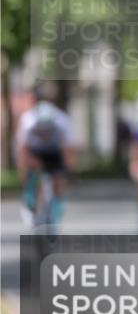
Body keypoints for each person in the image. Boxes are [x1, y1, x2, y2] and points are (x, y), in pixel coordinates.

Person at [16, 81, 75, 228]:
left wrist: (68, 170)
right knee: (33, 174)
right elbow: (22, 149)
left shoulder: (61, 119)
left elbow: (68, 148)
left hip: (54, 152)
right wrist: (24, 174)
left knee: (56, 179)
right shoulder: (28, 120)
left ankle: (56, 206)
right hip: (35, 151)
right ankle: (31, 199)